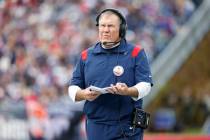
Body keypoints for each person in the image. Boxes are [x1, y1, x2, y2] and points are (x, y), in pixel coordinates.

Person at [68, 8, 153, 140]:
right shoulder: (86, 55)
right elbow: (73, 88)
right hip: (96, 126)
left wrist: (128, 91)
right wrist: (84, 94)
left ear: (122, 29)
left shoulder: (136, 52)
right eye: (102, 25)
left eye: (110, 26)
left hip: (128, 126)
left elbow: (146, 85)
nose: (105, 30)